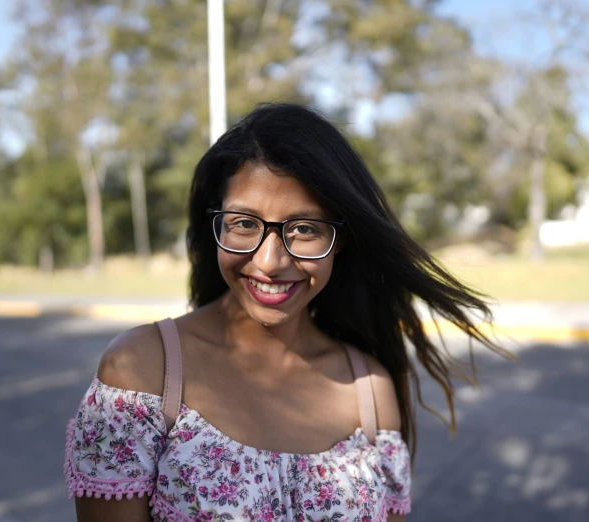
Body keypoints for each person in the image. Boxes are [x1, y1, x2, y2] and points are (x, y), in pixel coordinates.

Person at [64, 103, 506, 521]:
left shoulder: (369, 392)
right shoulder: (142, 372)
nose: (270, 261)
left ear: (341, 241)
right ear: (214, 225)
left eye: (304, 228)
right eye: (243, 223)